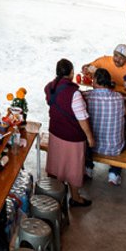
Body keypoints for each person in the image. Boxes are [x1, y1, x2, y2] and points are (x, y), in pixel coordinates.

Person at [45, 58, 94, 207]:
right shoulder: (74, 94)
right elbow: (82, 119)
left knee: (57, 164)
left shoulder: (50, 87)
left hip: (55, 133)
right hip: (72, 137)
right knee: (74, 168)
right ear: (72, 72)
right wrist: (90, 137)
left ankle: (56, 193)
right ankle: (75, 197)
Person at [84, 68, 126, 185]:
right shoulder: (119, 97)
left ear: (95, 80)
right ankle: (114, 173)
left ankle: (88, 168)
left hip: (91, 146)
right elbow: (123, 115)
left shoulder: (87, 97)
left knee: (85, 132)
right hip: (113, 149)